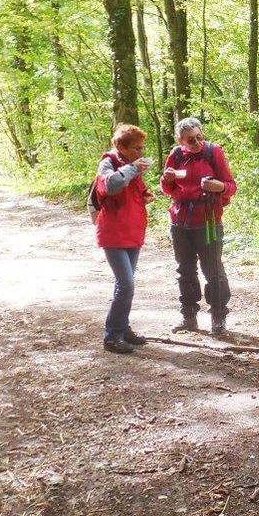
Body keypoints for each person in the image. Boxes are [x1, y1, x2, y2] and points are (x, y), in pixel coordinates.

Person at [160, 118, 238, 335]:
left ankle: (218, 318)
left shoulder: (214, 153)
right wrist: (166, 180)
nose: (196, 142)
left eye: (199, 137)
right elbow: (167, 189)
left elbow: (231, 186)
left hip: (209, 220)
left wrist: (220, 186)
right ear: (181, 141)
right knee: (185, 270)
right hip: (180, 221)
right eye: (190, 140)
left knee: (213, 270)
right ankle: (189, 317)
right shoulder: (176, 155)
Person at [95, 124, 155, 354]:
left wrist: (145, 195)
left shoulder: (131, 167)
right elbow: (110, 185)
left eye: (142, 148)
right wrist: (133, 168)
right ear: (121, 147)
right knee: (126, 284)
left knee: (126, 285)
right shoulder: (108, 163)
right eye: (135, 149)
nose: (140, 153)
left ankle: (123, 328)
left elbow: (134, 190)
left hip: (132, 233)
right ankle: (111, 336)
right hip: (113, 234)